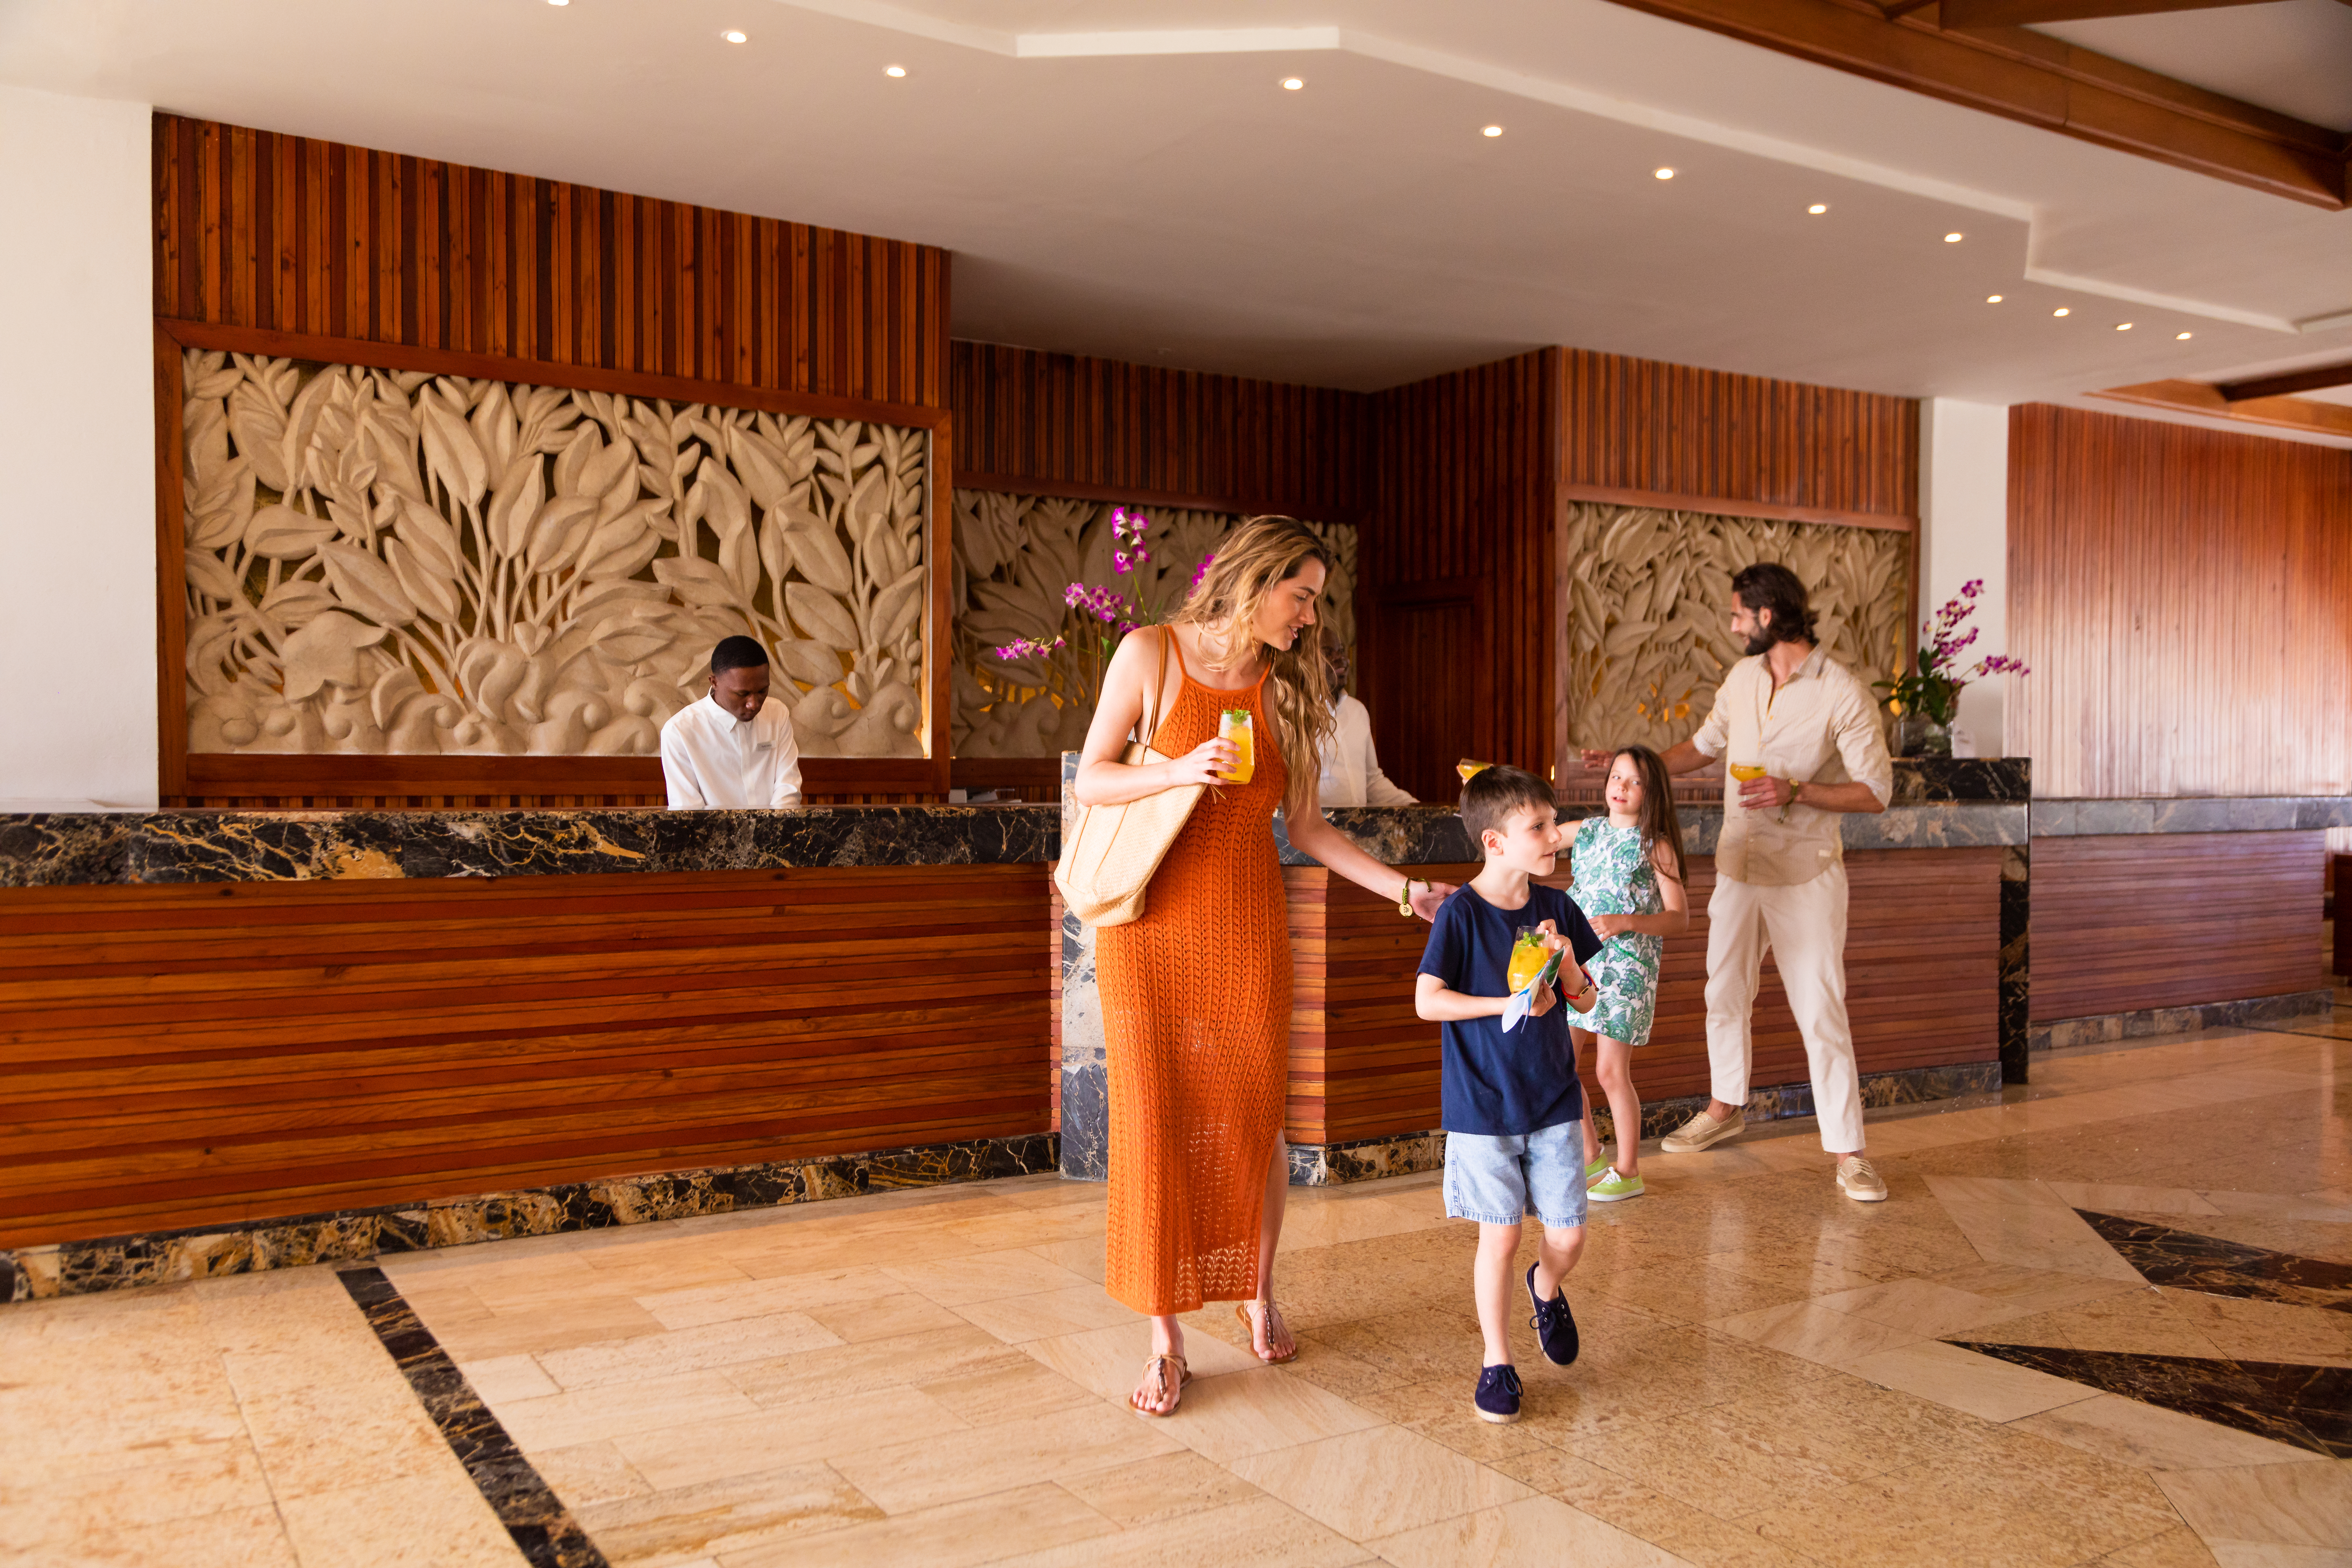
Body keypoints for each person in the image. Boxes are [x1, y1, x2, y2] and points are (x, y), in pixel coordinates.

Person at [1074, 516, 1455, 1418]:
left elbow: (1311, 829)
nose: (1311, 619)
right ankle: (1166, 1339)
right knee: (1157, 1117)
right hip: (1148, 924)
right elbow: (1092, 777)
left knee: (1251, 1115)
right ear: (1254, 583)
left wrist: (1404, 894)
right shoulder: (1150, 654)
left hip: (1245, 921)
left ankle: (1258, 1286)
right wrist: (1174, 770)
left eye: (1317, 603)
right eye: (1303, 598)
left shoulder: (1288, 691)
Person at [1580, 561, 1893, 1203]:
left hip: (1806, 875)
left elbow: (1876, 792)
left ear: (1768, 616)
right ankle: (1726, 1107)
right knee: (1723, 993)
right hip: (1738, 868)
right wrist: (1629, 763)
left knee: (1820, 1010)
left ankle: (1851, 1153)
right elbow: (1699, 748)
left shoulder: (1842, 692)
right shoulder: (1743, 678)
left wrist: (1798, 790)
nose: (1731, 626)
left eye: (1737, 615)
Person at [1415, 764, 1604, 1425]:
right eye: (1541, 827)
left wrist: (1568, 969)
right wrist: (1510, 1001)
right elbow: (1426, 1000)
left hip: (1551, 1099)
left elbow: (1587, 999)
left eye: (1554, 823)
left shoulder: (1557, 908)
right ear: (1496, 842)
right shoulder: (1462, 915)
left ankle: (1546, 1286)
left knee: (1570, 1236)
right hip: (1483, 1108)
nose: (1557, 836)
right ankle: (1498, 1361)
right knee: (1499, 1238)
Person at [1570, 745, 1690, 1203]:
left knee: (1609, 1071)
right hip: (1579, 962)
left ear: (1650, 791)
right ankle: (1591, 1156)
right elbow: (1535, 836)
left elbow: (1679, 918)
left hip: (1627, 968)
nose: (1620, 787)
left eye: (1634, 781)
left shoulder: (1653, 844)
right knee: (1560, 1063)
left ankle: (1629, 1169)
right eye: (1616, 777)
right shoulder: (1587, 831)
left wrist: (1626, 922)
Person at [658, 635, 805, 809]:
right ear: (715, 683)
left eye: (762, 691)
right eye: (742, 694)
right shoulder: (679, 731)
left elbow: (787, 790)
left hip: (776, 833)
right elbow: (687, 810)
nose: (754, 704)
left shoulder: (777, 713)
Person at [1317, 647, 1415, 807]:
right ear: (1306, 662)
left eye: (1341, 651)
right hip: (1318, 830)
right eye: (1328, 652)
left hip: (1358, 830)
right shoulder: (1296, 716)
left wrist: (1415, 808)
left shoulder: (1358, 711)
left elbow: (1371, 782)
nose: (1340, 659)